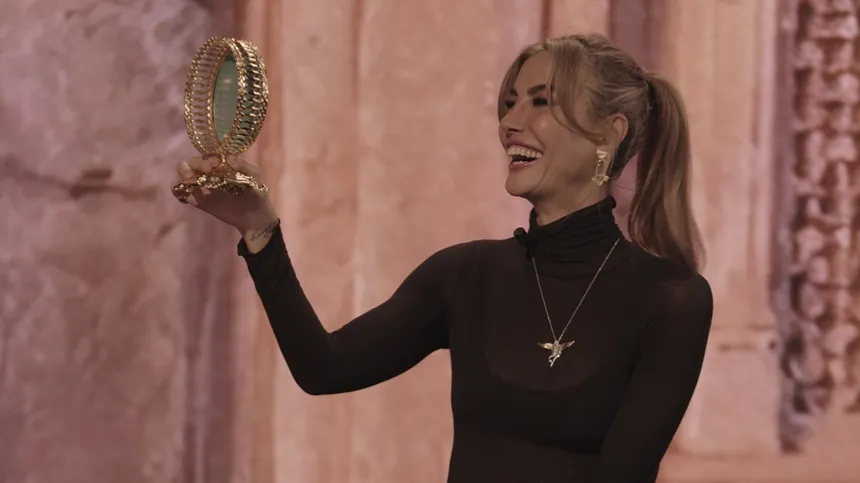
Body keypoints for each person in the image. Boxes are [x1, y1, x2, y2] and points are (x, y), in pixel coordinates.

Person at [175, 34, 713, 483]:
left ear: (609, 133)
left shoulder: (670, 300)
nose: (509, 122)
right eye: (509, 103)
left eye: (540, 102)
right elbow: (324, 367)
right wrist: (260, 232)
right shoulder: (465, 275)